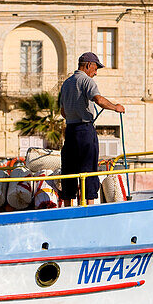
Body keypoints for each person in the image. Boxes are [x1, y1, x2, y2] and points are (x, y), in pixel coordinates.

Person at [57, 52, 124, 207]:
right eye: (95, 68)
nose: (96, 72)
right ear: (88, 65)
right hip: (85, 130)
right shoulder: (87, 81)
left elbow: (63, 112)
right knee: (89, 168)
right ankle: (89, 204)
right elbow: (99, 99)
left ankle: (68, 205)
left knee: (69, 169)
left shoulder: (66, 83)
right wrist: (116, 108)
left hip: (70, 130)